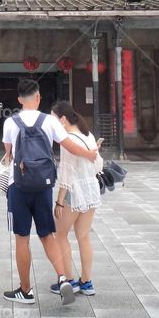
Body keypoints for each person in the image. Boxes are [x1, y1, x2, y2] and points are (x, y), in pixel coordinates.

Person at [2, 79, 99, 306]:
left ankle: (25, 291)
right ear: (38, 98)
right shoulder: (49, 121)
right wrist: (90, 154)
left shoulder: (10, 122)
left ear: (19, 100)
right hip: (44, 186)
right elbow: (70, 146)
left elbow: (9, 155)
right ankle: (63, 277)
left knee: (22, 237)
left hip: (18, 186)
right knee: (47, 235)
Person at [51, 100, 103, 297]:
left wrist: (59, 201)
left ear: (62, 119)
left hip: (73, 191)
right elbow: (97, 164)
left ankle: (70, 281)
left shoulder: (67, 140)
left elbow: (66, 173)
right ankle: (87, 282)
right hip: (90, 189)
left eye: (54, 119)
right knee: (84, 237)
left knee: (61, 235)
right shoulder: (88, 134)